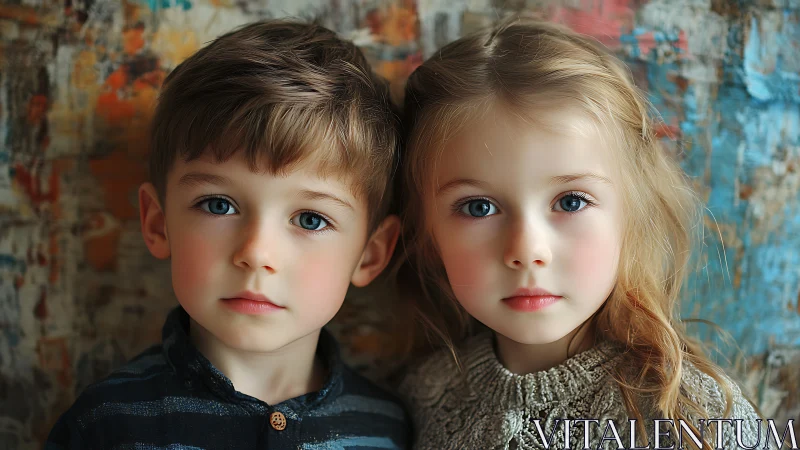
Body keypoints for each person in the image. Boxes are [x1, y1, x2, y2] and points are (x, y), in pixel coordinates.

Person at [398, 17, 767, 450]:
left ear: (631, 212)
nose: (528, 252)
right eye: (479, 207)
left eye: (571, 202)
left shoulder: (691, 413)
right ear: (427, 233)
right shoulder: (425, 396)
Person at [46, 19, 410, 449]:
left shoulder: (389, 431)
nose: (256, 254)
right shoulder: (105, 425)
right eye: (219, 205)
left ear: (369, 255)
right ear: (158, 224)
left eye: (311, 219)